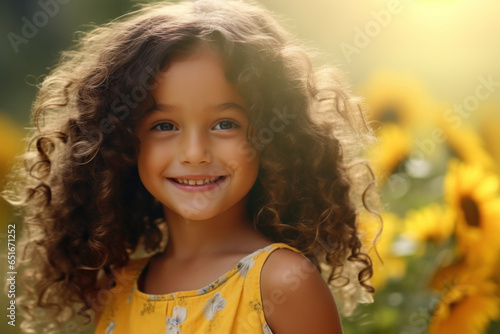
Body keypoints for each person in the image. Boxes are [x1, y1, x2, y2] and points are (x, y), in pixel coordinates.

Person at [4, 0, 379, 333]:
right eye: (164, 126)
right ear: (119, 143)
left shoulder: (282, 282)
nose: (195, 153)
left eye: (225, 124)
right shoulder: (118, 286)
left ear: (272, 136)